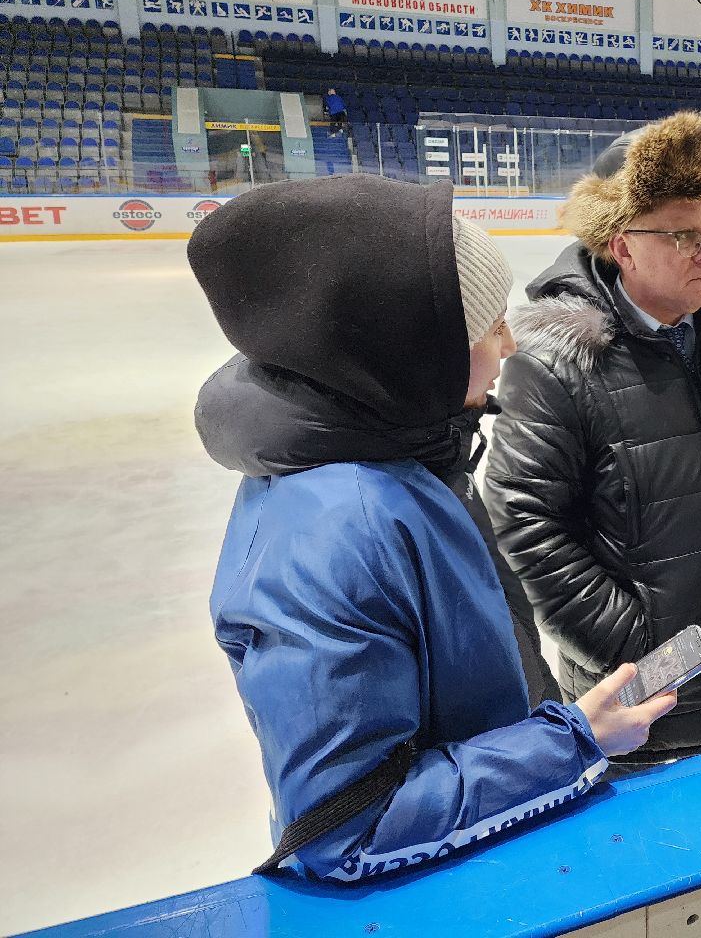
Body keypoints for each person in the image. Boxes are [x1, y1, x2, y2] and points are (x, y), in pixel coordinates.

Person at [189, 174, 674, 882]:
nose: (510, 344)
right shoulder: (336, 532)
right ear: (416, 348)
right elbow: (346, 828)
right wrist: (574, 741)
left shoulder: (405, 452)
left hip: (486, 850)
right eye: (488, 324)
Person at [483, 111, 701, 768]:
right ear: (620, 244)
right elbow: (522, 524)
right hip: (641, 716)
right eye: (682, 236)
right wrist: (638, 641)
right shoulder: (553, 365)